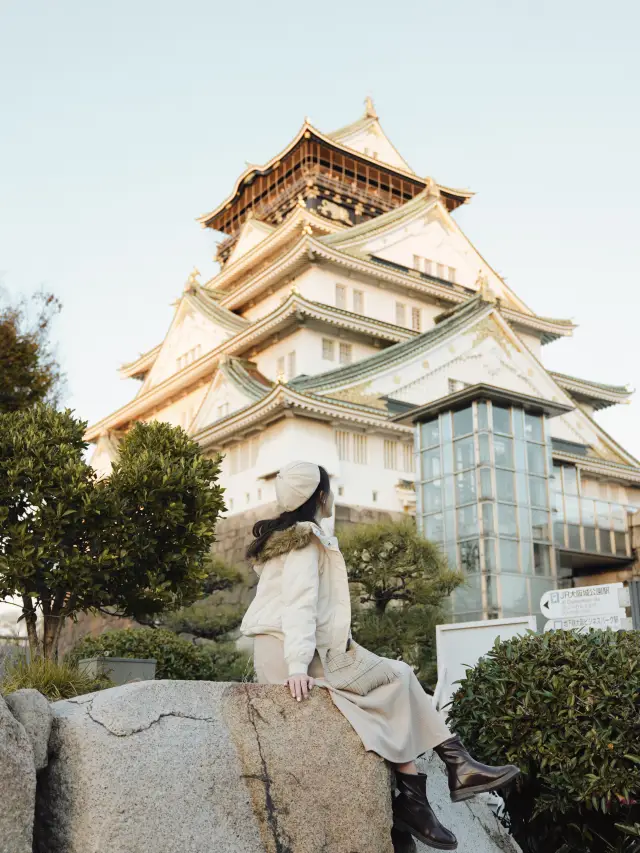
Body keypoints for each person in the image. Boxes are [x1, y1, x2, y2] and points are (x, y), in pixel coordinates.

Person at [241, 461, 519, 851]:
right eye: (329, 488)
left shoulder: (290, 537)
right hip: (290, 649)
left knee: (399, 675)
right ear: (319, 496)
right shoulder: (304, 540)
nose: (332, 495)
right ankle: (435, 785)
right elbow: (299, 606)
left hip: (298, 647)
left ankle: (441, 782)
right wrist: (297, 667)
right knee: (395, 681)